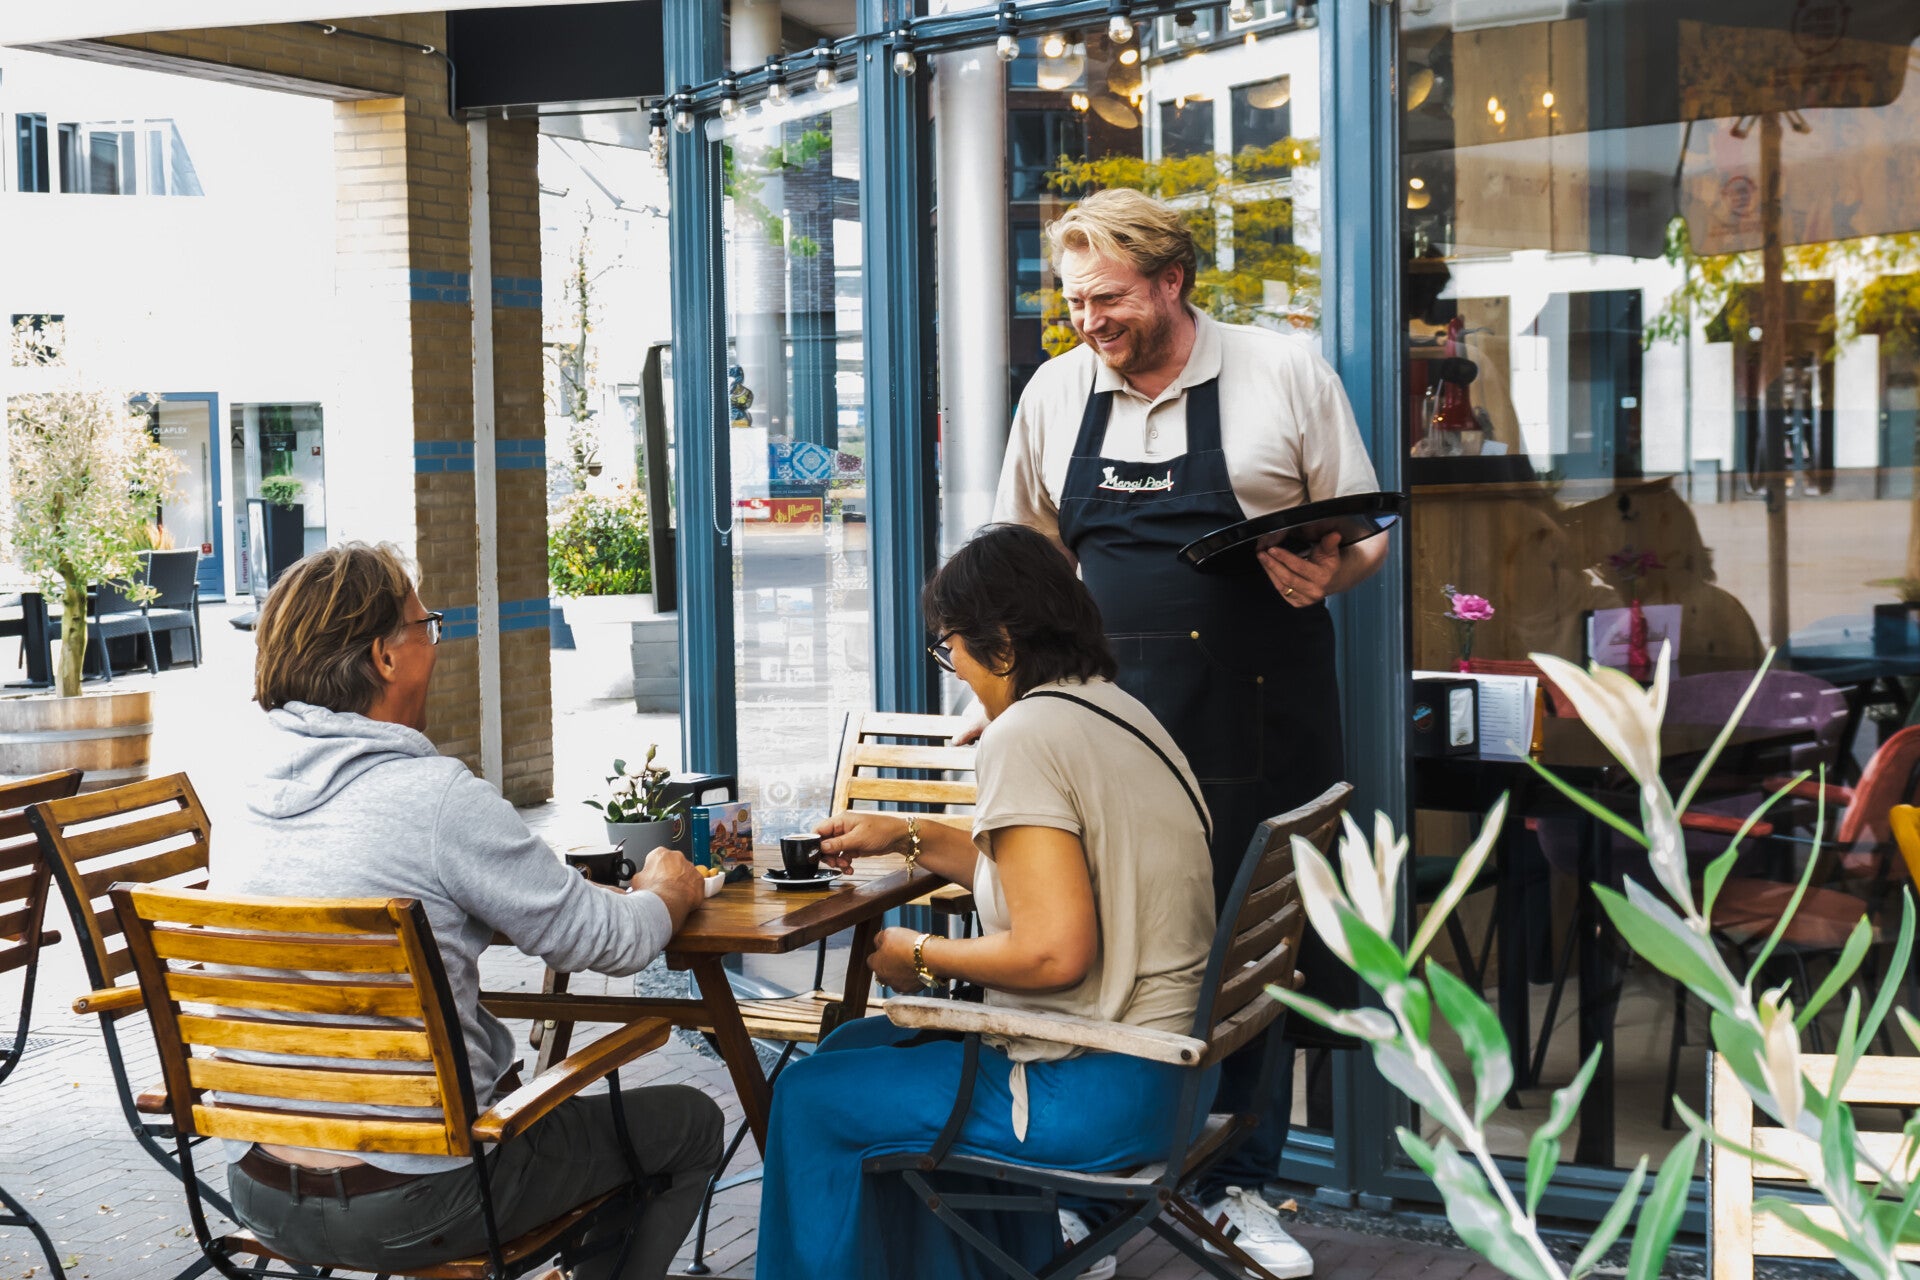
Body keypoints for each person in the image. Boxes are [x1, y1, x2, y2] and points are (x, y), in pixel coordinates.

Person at [992, 187, 1386, 1277]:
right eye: (1073, 301)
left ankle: (1237, 1184)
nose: (1088, 321)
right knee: (1100, 949)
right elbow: (1023, 559)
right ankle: (1096, 1181)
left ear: (1172, 280)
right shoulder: (1056, 391)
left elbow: (1362, 537)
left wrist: (1331, 568)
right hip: (1105, 732)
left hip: (1261, 721)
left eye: (1108, 298)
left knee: (1246, 961)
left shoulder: (1282, 373)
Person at [212, 542, 723, 1280]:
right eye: (430, 626)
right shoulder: (435, 798)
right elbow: (603, 941)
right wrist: (667, 889)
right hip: (419, 1201)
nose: (436, 644)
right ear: (386, 658)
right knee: (688, 1124)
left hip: (257, 1190)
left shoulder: (242, 797)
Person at [754, 524, 1218, 1280]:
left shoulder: (1025, 735)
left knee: (812, 1098)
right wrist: (909, 834)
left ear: (1001, 641)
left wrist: (921, 958)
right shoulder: (1118, 714)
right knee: (848, 1052)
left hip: (1095, 1087)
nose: (955, 667)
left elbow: (1053, 950)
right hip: (1174, 1077)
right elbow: (1053, 879)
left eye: (952, 647)